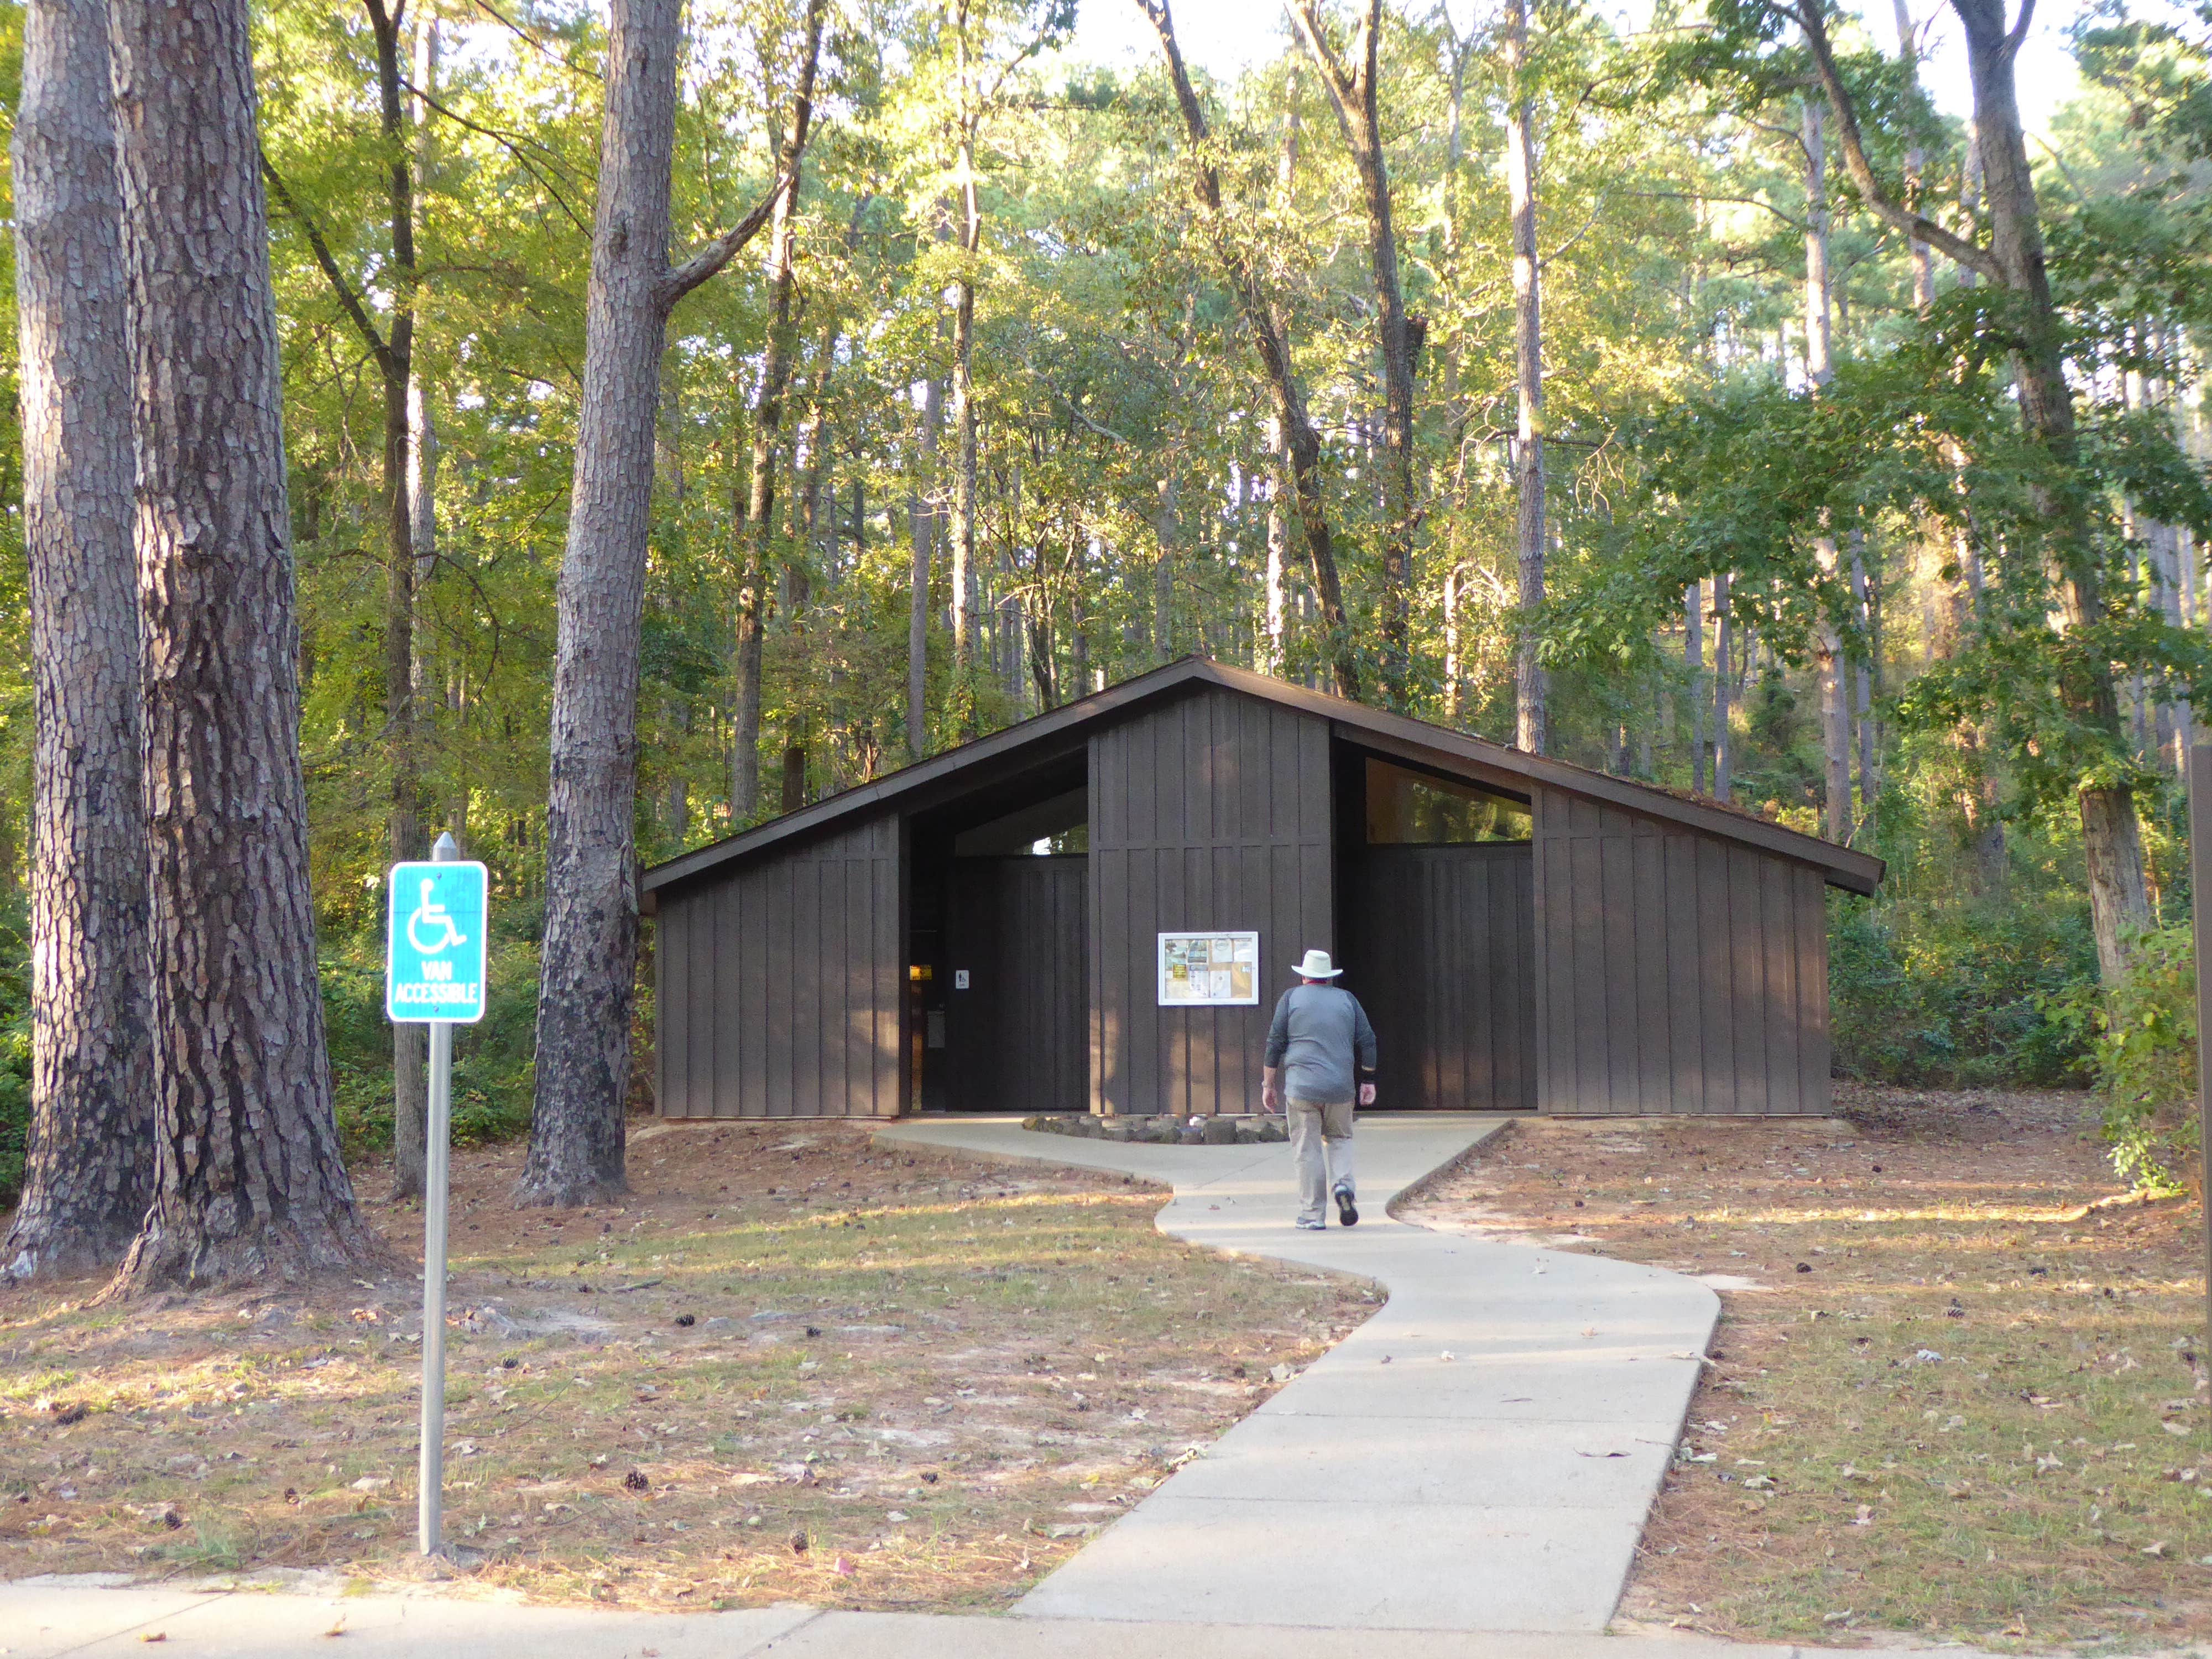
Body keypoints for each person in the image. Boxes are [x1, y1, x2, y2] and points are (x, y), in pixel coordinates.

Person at [1261, 948, 1377, 1230]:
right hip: (1341, 1089)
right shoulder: (1347, 1000)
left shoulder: (1290, 999)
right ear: (1328, 978)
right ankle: (1343, 1188)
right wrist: (1368, 1080)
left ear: (1304, 977)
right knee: (1340, 1139)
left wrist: (1269, 1085)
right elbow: (1369, 1041)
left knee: (1307, 1149)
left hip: (1302, 1089)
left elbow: (1275, 1043)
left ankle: (1313, 1215)